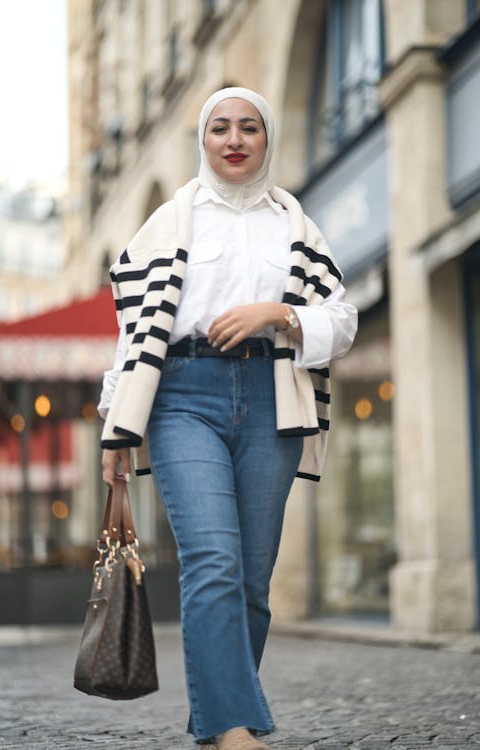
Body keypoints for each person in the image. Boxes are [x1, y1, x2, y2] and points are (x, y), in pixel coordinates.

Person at [99, 87, 357, 750]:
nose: (234, 138)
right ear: (204, 139)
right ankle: (237, 730)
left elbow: (342, 319)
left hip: (274, 397)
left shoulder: (297, 225)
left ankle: (216, 725)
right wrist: (116, 425)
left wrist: (278, 314)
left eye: (249, 127)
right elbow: (134, 333)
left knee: (251, 579)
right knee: (212, 559)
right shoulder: (170, 220)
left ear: (267, 138)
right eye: (220, 127)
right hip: (182, 395)